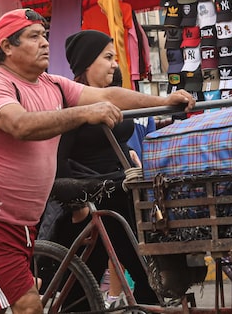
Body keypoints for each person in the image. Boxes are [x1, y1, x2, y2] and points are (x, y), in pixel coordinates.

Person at [0, 9, 196, 314]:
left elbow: (110, 95)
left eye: (44, 36)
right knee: (28, 305)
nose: (44, 43)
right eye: (33, 37)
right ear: (7, 47)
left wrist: (164, 102)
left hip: (23, 219)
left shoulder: (52, 85)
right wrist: (83, 113)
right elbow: (20, 125)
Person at [53, 29, 159, 306]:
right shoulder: (72, 103)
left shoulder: (111, 94)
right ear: (88, 62)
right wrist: (77, 205)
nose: (115, 63)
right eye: (108, 57)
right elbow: (58, 159)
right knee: (84, 284)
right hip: (94, 198)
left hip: (120, 190)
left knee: (144, 270)